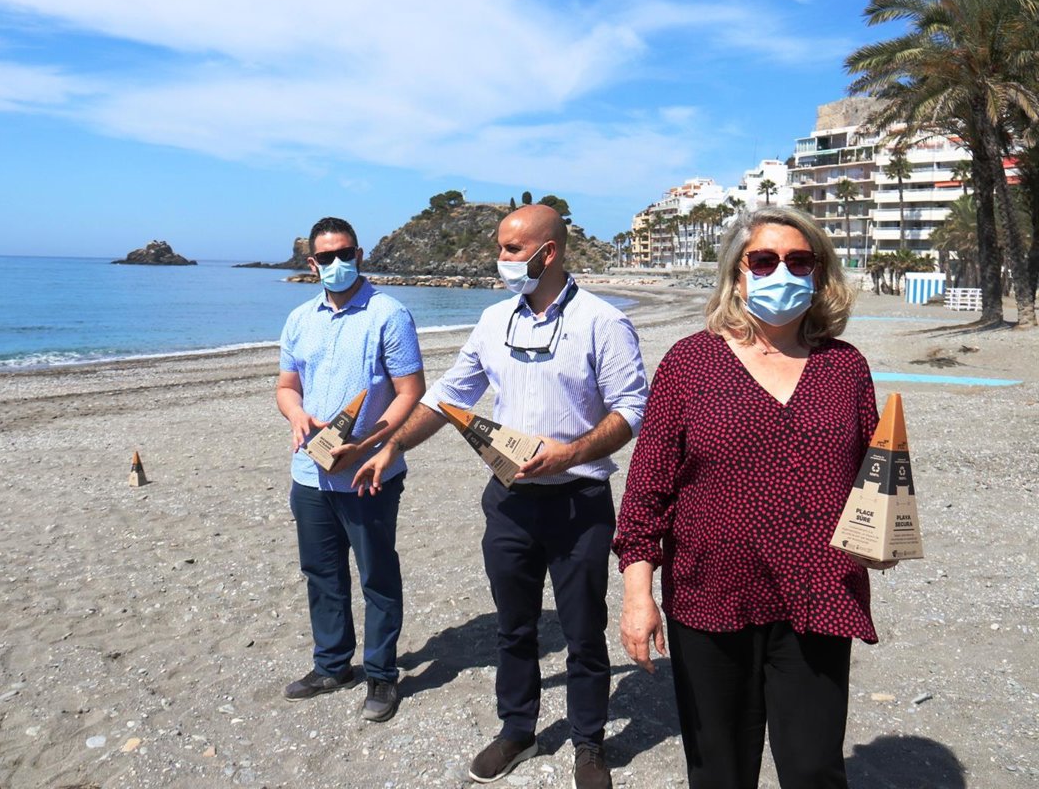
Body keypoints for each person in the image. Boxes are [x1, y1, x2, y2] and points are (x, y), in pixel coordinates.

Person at [356, 204, 648, 789]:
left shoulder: (603, 321)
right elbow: (448, 396)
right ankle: (518, 729)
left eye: (513, 249)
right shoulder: (493, 321)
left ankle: (589, 742)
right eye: (500, 247)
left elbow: (631, 409)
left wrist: (569, 453)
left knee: (583, 630)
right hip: (510, 501)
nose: (502, 259)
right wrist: (394, 445)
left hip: (579, 503)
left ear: (549, 252)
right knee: (514, 627)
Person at [614, 206, 888, 789]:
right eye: (763, 260)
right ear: (737, 275)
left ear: (819, 274)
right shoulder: (690, 362)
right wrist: (638, 596)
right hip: (710, 596)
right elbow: (646, 492)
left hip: (818, 594)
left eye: (799, 261)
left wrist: (885, 537)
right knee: (719, 770)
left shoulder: (845, 367)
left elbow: (876, 476)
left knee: (814, 769)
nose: (780, 272)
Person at [276, 216, 425, 723]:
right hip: (310, 474)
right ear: (312, 262)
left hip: (368, 474)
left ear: (359, 255)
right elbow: (287, 386)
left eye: (346, 254)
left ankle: (382, 674)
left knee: (377, 575)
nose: (337, 263)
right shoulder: (300, 319)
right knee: (321, 574)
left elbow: (410, 392)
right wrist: (297, 415)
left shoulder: (389, 314)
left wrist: (366, 444)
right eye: (326, 257)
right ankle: (332, 665)